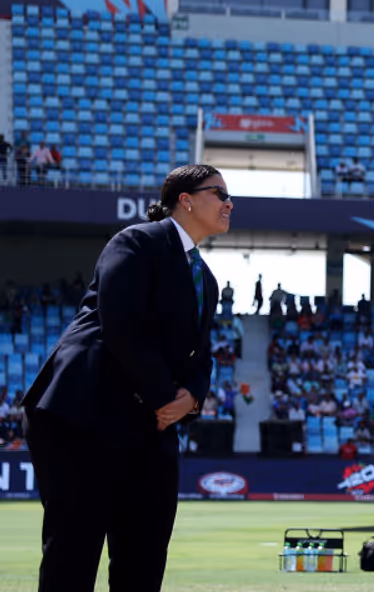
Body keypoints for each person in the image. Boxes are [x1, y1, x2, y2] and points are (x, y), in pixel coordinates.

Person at [22, 164, 232, 592]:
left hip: (150, 427)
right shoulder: (136, 241)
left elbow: (202, 355)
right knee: (73, 554)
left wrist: (191, 398)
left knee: (144, 558)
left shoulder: (206, 279)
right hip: (85, 416)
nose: (230, 204)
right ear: (186, 200)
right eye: (220, 194)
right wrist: (164, 396)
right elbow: (120, 325)